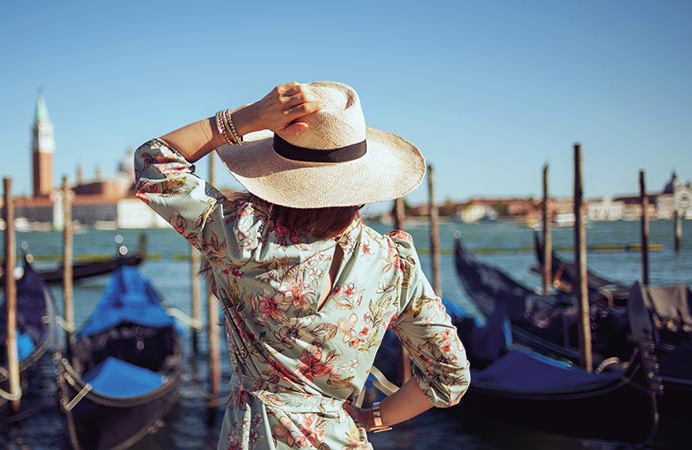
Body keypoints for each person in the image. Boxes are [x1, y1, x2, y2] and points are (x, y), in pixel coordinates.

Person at [135, 81, 470, 449]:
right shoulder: (394, 264)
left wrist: (248, 118)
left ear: (276, 172)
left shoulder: (240, 238)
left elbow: (155, 160)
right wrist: (373, 418)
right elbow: (449, 376)